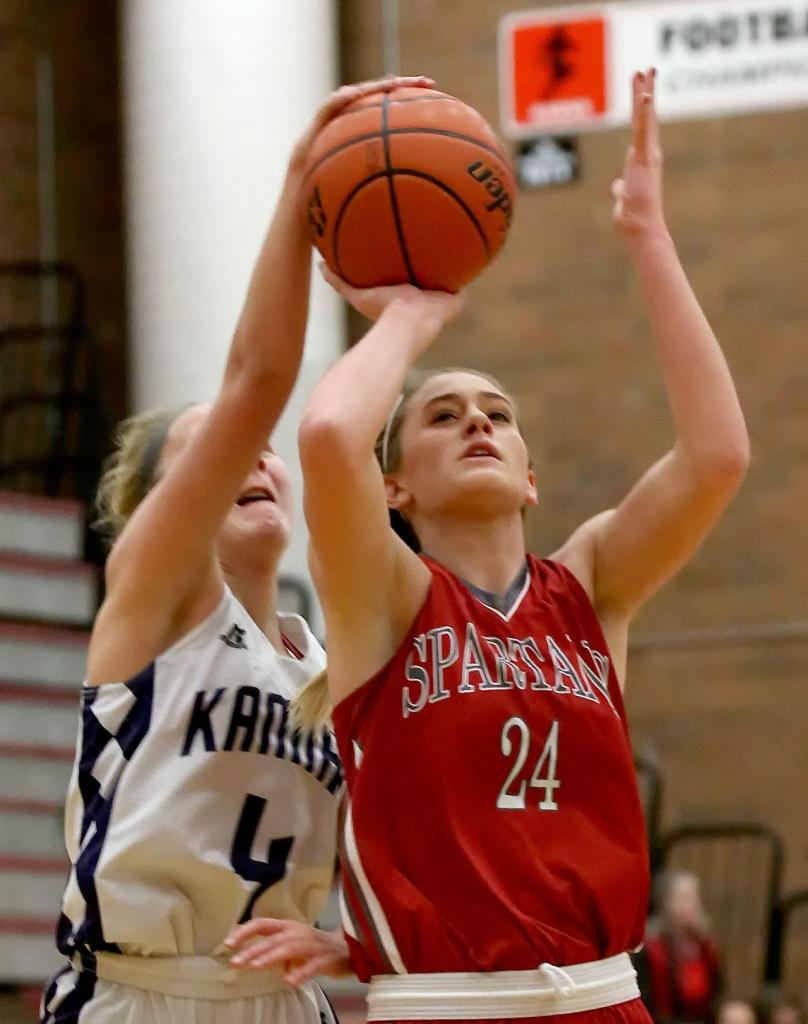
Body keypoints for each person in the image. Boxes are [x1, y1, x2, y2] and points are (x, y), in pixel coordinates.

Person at [294, 68, 750, 1024]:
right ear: (395, 488)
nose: (479, 425)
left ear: (531, 472)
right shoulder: (384, 595)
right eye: (444, 414)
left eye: (500, 415)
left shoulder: (590, 582)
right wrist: (419, 312)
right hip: (444, 1005)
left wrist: (650, 238)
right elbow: (332, 435)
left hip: (604, 999)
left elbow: (717, 456)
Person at [40, 75, 433, 1024]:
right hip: (142, 992)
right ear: (156, 511)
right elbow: (260, 381)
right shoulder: (154, 603)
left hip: (286, 1003)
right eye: (213, 457)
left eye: (262, 452)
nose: (254, 456)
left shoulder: (325, 663)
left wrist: (356, 942)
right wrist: (305, 179)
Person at [637, 871, 723, 1024]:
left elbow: (719, 992)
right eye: (683, 898)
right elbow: (646, 1004)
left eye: (693, 898)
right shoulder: (650, 949)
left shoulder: (705, 946)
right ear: (665, 902)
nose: (691, 905)